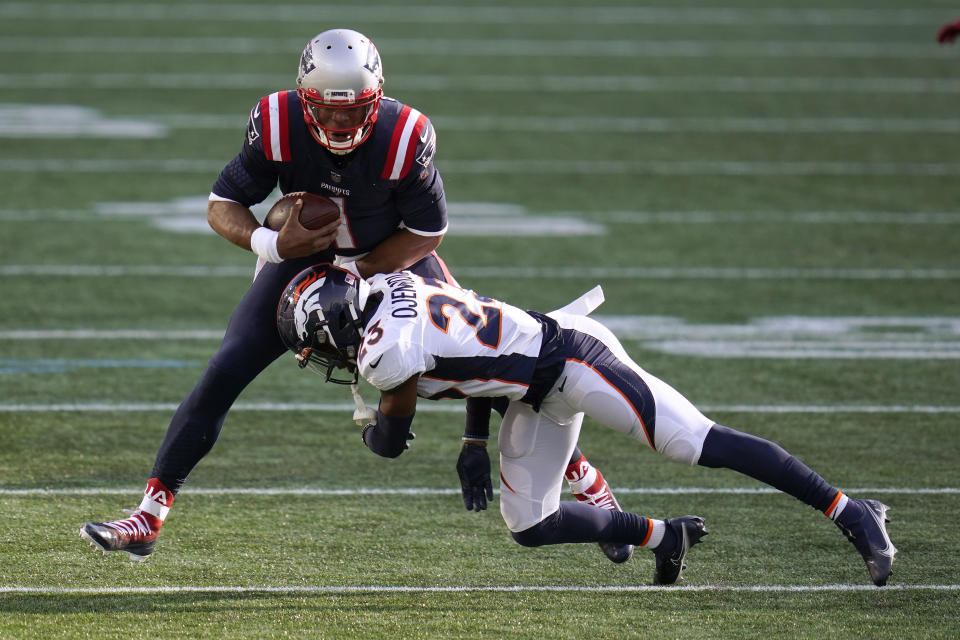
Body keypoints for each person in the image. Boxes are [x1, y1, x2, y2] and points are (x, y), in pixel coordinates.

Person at [79, 29, 629, 563]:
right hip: (302, 259)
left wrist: (361, 273)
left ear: (378, 97)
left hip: (392, 256)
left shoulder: (406, 134)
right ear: (303, 98)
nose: (340, 121)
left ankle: (591, 487)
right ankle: (149, 515)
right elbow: (222, 203)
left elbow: (427, 231)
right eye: (326, 108)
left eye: (353, 108)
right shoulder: (274, 122)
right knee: (225, 368)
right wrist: (272, 243)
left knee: (492, 359)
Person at [275, 265, 898, 586]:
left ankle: (849, 510)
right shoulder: (389, 286)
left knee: (692, 442)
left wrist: (372, 428)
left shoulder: (386, 354)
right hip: (532, 387)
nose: (322, 361)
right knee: (530, 524)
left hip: (572, 357)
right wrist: (471, 439)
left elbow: (387, 444)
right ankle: (662, 535)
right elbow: (476, 359)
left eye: (316, 350)